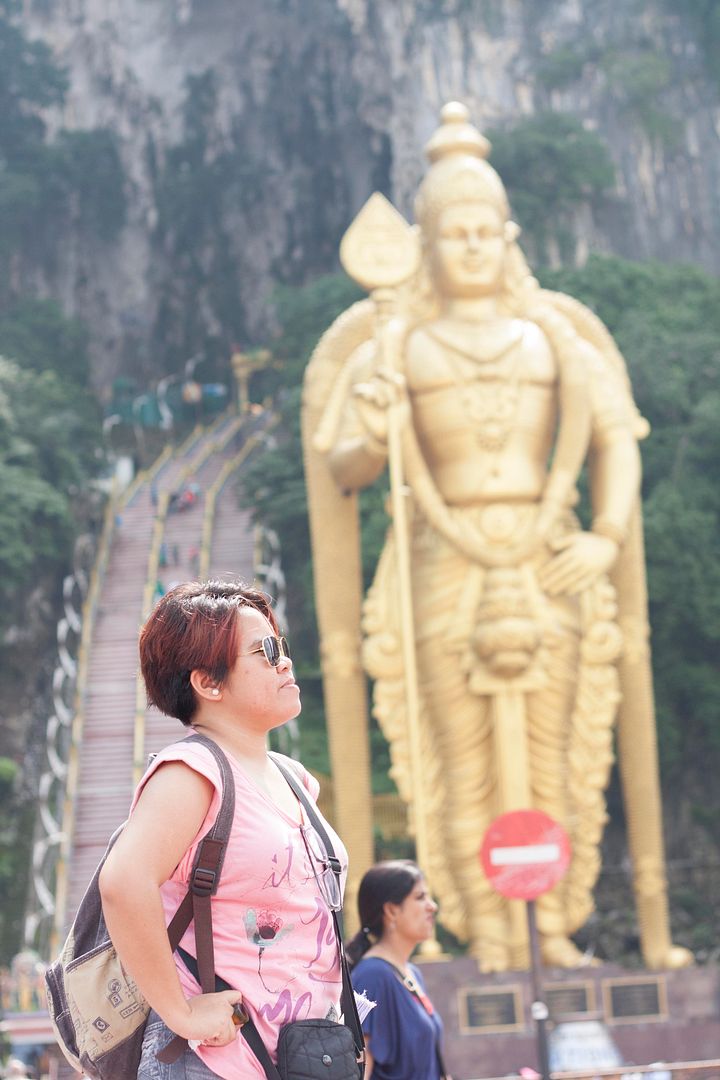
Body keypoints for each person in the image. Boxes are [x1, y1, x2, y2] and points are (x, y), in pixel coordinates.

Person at [304, 102, 690, 972]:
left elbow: (616, 439)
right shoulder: (396, 340)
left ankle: (550, 922)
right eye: (455, 232)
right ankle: (475, 926)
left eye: (486, 230)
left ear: (508, 236)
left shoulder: (551, 334)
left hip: (547, 549)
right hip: (442, 562)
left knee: (560, 745)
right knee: (454, 751)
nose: (472, 247)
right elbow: (344, 464)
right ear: (428, 245)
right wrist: (376, 422)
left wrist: (608, 534)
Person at [98, 580, 348, 1079]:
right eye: (266, 651)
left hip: (303, 1054)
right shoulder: (191, 773)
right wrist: (181, 1012)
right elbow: (124, 884)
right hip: (217, 1061)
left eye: (283, 647)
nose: (285, 663)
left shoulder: (294, 778)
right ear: (208, 684)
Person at [347, 862, 447, 1080]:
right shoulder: (372, 977)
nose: (432, 906)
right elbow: (360, 1072)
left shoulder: (410, 972)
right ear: (391, 910)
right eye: (420, 897)